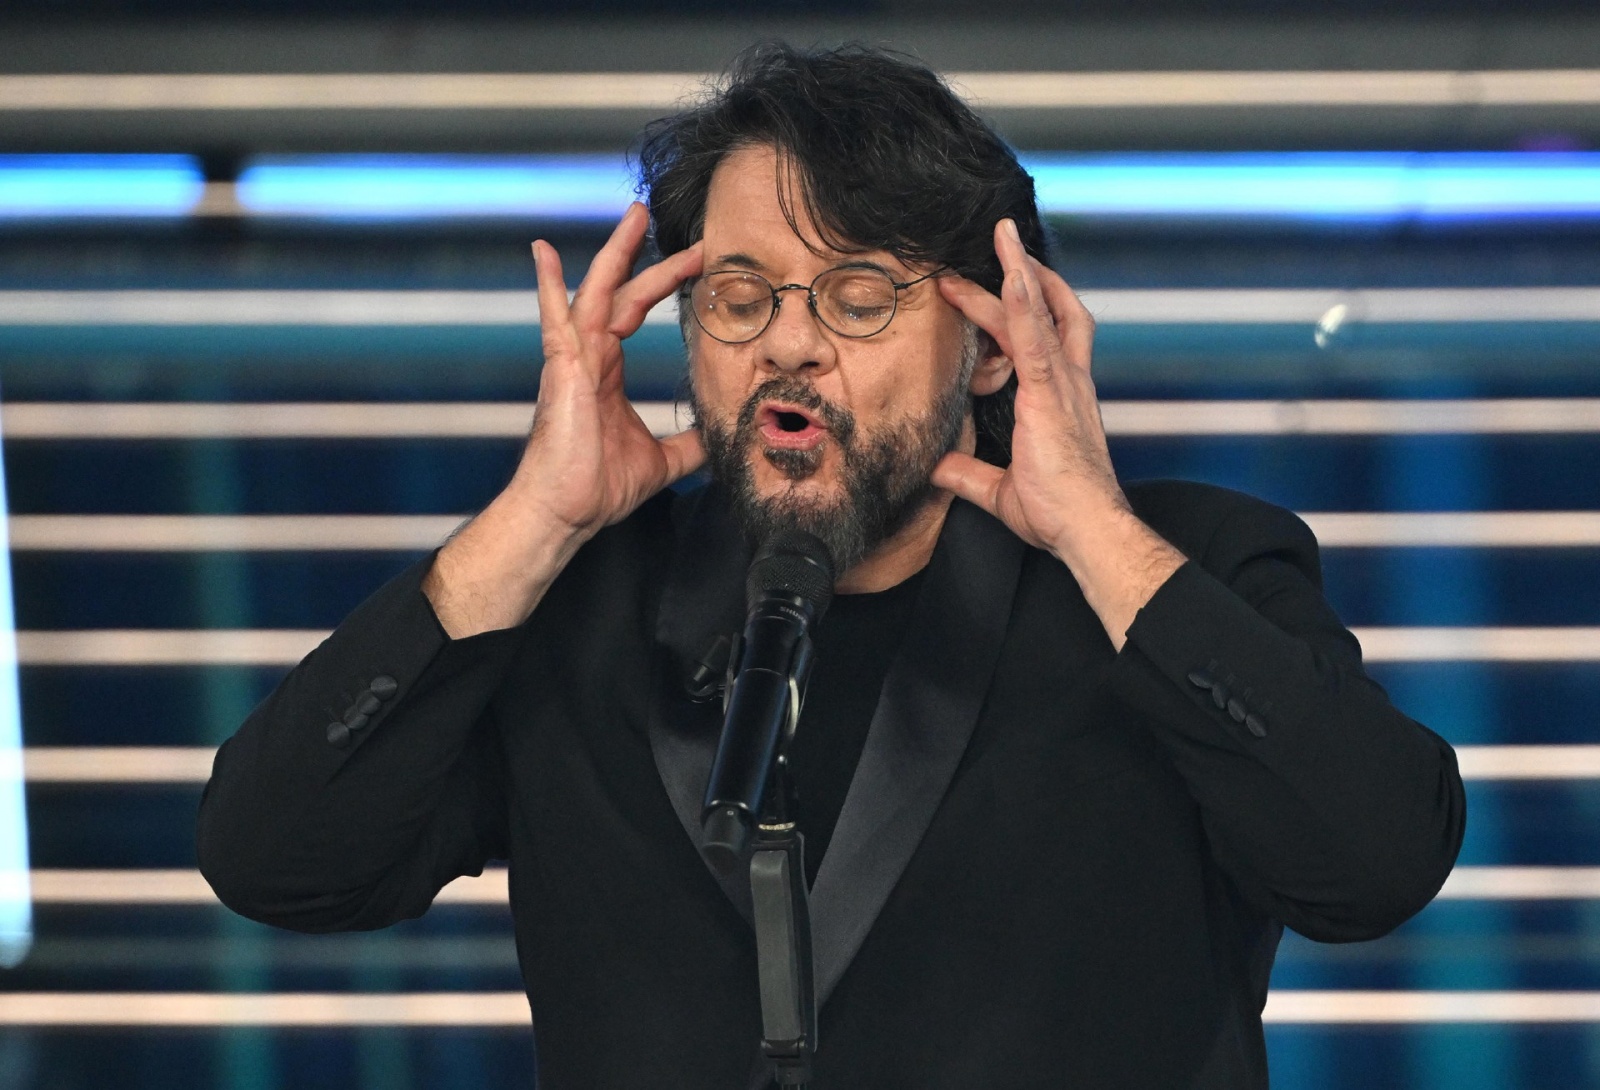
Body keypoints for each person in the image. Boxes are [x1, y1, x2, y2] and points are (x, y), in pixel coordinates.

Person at [197, 43, 1466, 1089]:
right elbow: (275, 858)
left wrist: (1096, 533)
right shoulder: (576, 605)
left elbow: (1373, 865)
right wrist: (534, 518)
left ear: (985, 346)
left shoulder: (1182, 569)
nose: (789, 345)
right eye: (740, 296)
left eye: (858, 294)